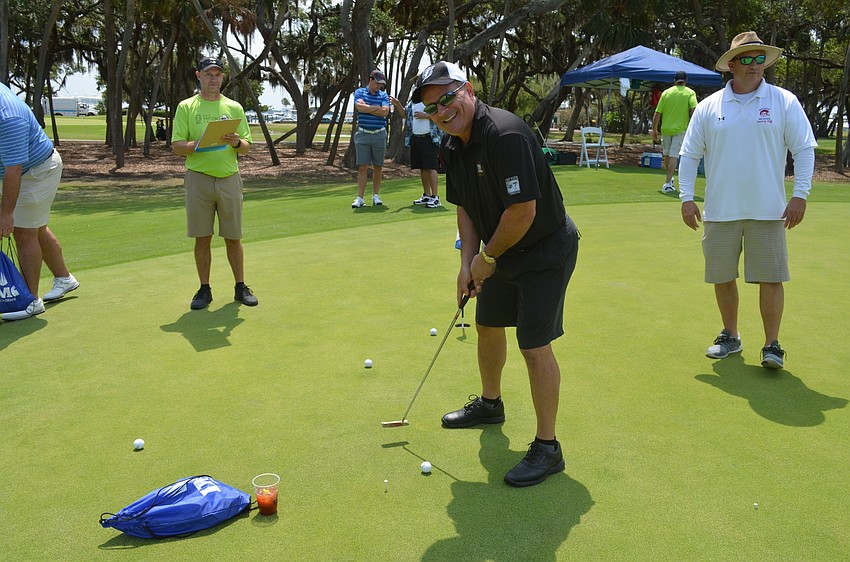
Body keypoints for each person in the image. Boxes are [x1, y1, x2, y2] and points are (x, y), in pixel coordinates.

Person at [412, 61, 580, 487]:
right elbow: (465, 207)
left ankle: (548, 447)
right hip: (499, 249)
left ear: (468, 90)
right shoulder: (451, 145)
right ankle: (491, 404)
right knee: (487, 325)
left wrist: (486, 258)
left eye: (447, 98)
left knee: (534, 345)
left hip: (544, 249)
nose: (442, 111)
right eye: (432, 107)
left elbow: (523, 211)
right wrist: (467, 263)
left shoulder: (505, 134)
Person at [678, 31, 817, 370]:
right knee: (722, 276)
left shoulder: (784, 101)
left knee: (771, 277)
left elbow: (803, 149)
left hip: (768, 209)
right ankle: (730, 335)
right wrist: (686, 197)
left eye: (760, 59)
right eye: (747, 59)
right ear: (732, 65)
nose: (755, 65)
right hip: (720, 210)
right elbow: (690, 154)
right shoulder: (709, 106)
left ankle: (772, 345)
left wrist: (800, 194)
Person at [171, 56, 258, 310]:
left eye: (218, 74)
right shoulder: (186, 107)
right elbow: (177, 146)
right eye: (208, 74)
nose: (213, 78)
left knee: (233, 237)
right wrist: (200, 144)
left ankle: (240, 286)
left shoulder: (233, 107)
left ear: (222, 77)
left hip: (229, 178)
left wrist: (235, 142)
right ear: (198, 76)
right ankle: (204, 289)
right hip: (198, 179)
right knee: (202, 237)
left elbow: (246, 147)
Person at [0, 81, 79, 321]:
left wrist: (6, 214)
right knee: (36, 227)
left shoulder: (8, 118)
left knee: (24, 232)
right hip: (19, 170)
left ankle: (31, 301)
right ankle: (64, 278)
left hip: (37, 171)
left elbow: (14, 170)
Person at [389, 93, 443, 208]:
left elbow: (440, 114)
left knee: (431, 167)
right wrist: (397, 104)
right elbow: (405, 114)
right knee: (422, 168)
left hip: (430, 138)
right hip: (416, 138)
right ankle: (427, 195)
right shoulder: (413, 101)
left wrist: (426, 115)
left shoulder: (431, 98)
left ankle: (435, 197)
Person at [652, 70, 697, 193]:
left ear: (674, 81)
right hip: (680, 129)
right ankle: (668, 183)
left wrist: (654, 129)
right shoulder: (689, 92)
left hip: (665, 129)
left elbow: (657, 113)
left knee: (668, 155)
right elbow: (695, 109)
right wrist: (694, 126)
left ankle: (669, 179)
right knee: (673, 156)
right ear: (686, 81)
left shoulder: (666, 93)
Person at [351, 69, 390, 208]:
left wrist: (367, 107)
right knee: (363, 166)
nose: (379, 86)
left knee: (378, 166)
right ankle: (360, 198)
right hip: (363, 134)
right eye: (377, 83)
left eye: (381, 83)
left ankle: (376, 195)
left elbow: (385, 112)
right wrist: (376, 108)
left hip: (379, 134)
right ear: (371, 80)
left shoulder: (383, 95)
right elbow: (359, 108)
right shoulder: (360, 92)